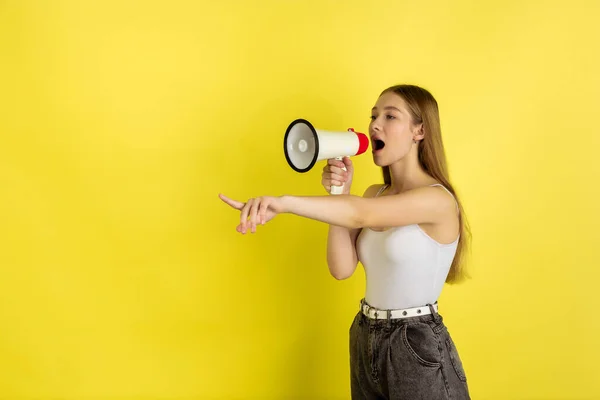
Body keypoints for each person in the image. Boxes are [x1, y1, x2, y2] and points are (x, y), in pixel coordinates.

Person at [219, 84, 471, 399]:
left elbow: (361, 215)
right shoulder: (372, 195)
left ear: (419, 131)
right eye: (374, 115)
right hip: (366, 333)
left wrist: (283, 203)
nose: (375, 124)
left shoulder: (437, 199)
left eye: (390, 116)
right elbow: (341, 268)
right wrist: (339, 194)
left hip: (414, 340)